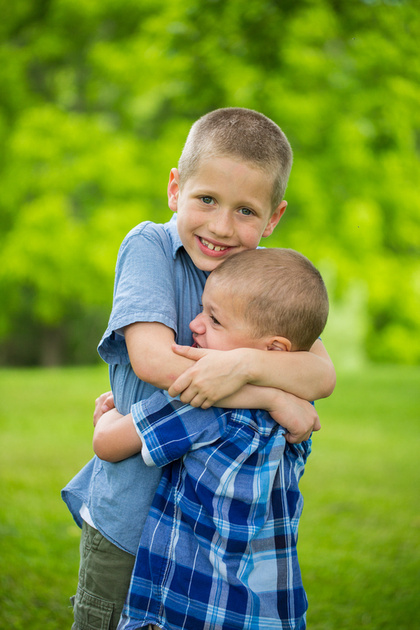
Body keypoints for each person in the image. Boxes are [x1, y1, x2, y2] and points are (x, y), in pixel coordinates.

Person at [62, 108, 336, 629]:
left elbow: (321, 376)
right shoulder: (150, 246)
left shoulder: (258, 276)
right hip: (132, 517)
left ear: (273, 218)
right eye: (206, 199)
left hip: (207, 534)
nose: (221, 226)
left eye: (246, 211)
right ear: (175, 189)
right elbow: (154, 360)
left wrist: (244, 366)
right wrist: (270, 394)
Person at [93, 247, 329, 630]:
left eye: (215, 320)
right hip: (271, 608)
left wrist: (115, 412)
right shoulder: (299, 405)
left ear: (273, 349)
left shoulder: (202, 401)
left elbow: (107, 444)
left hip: (193, 605)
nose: (195, 324)